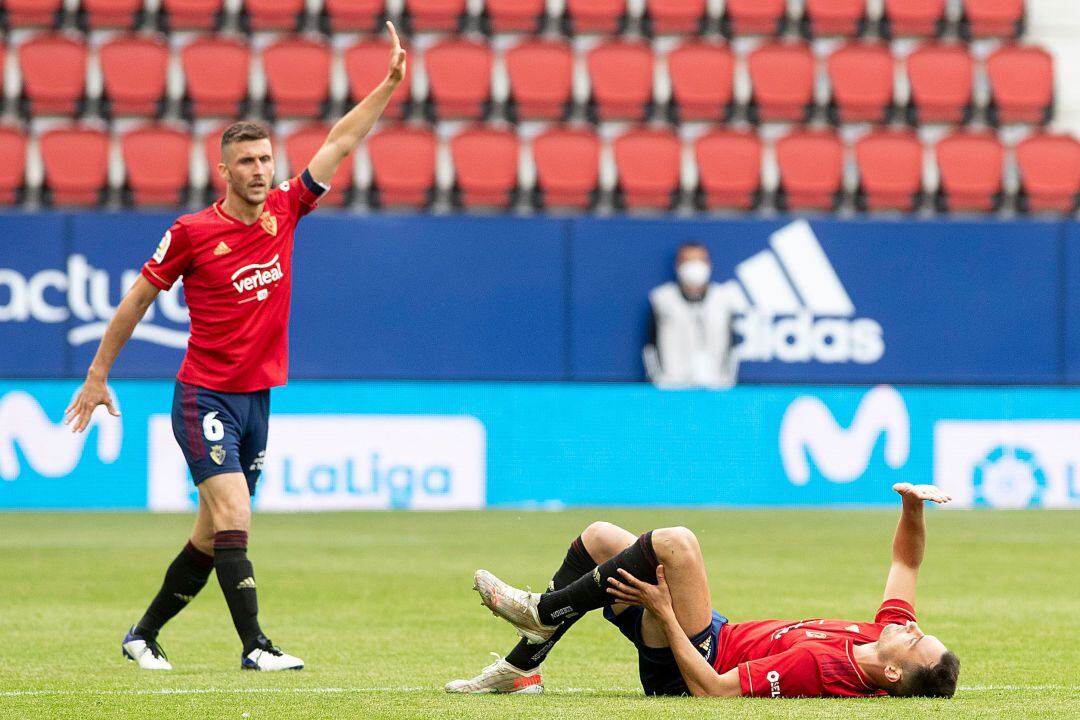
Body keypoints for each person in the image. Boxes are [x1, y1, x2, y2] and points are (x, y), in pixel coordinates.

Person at [63, 23, 407, 672]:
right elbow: (137, 298)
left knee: (209, 535)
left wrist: (386, 87)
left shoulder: (286, 210)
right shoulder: (193, 232)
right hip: (204, 396)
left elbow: (340, 140)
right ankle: (256, 646)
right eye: (246, 162)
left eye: (265, 160)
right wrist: (98, 373)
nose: (259, 170)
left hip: (256, 400)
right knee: (234, 514)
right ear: (223, 171)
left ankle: (142, 634)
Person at [446, 483, 960, 698]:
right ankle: (520, 671)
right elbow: (905, 561)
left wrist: (666, 615)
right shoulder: (879, 633)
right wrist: (913, 505)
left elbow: (711, 690)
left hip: (695, 660)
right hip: (710, 632)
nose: (912, 626)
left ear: (892, 671)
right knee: (600, 537)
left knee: (678, 544)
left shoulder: (823, 669)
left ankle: (543, 612)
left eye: (915, 641)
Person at [644, 242, 739, 389]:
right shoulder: (661, 299)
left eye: (699, 261)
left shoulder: (723, 299)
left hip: (715, 387)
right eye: (688, 261)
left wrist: (727, 382)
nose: (694, 267)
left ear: (708, 264)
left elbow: (733, 346)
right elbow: (650, 347)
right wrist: (658, 381)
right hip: (672, 388)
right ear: (677, 265)